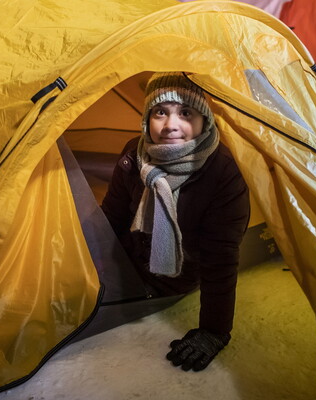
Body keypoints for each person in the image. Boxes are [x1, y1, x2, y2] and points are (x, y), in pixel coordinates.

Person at [101, 71, 250, 372]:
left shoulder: (223, 173)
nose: (171, 125)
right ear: (146, 118)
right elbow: (111, 217)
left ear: (204, 119)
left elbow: (220, 260)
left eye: (185, 112)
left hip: (175, 276)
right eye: (160, 112)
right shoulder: (135, 152)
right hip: (127, 259)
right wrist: (92, 267)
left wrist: (214, 331)